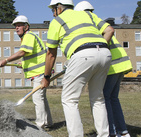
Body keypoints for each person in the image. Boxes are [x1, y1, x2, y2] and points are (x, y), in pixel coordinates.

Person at [41, 0, 115, 136]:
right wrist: (96, 48)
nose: (53, 14)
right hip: (104, 53)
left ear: (59, 8)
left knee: (69, 99)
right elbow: (109, 30)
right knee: (98, 98)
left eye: (53, 10)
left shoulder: (57, 22)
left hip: (82, 55)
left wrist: (46, 77)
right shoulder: (88, 15)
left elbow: (51, 54)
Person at [75, 1, 133, 137]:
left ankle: (111, 132)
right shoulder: (99, 23)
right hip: (121, 65)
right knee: (113, 98)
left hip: (112, 66)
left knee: (104, 99)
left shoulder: (92, 25)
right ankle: (123, 132)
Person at [0, 15, 53, 129]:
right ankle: (48, 122)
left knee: (37, 98)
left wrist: (6, 60)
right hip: (40, 72)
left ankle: (40, 125)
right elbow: (33, 56)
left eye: (19, 25)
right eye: (15, 26)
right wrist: (22, 64)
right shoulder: (28, 37)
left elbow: (22, 52)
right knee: (42, 98)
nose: (16, 28)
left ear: (26, 26)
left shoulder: (29, 36)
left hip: (40, 73)